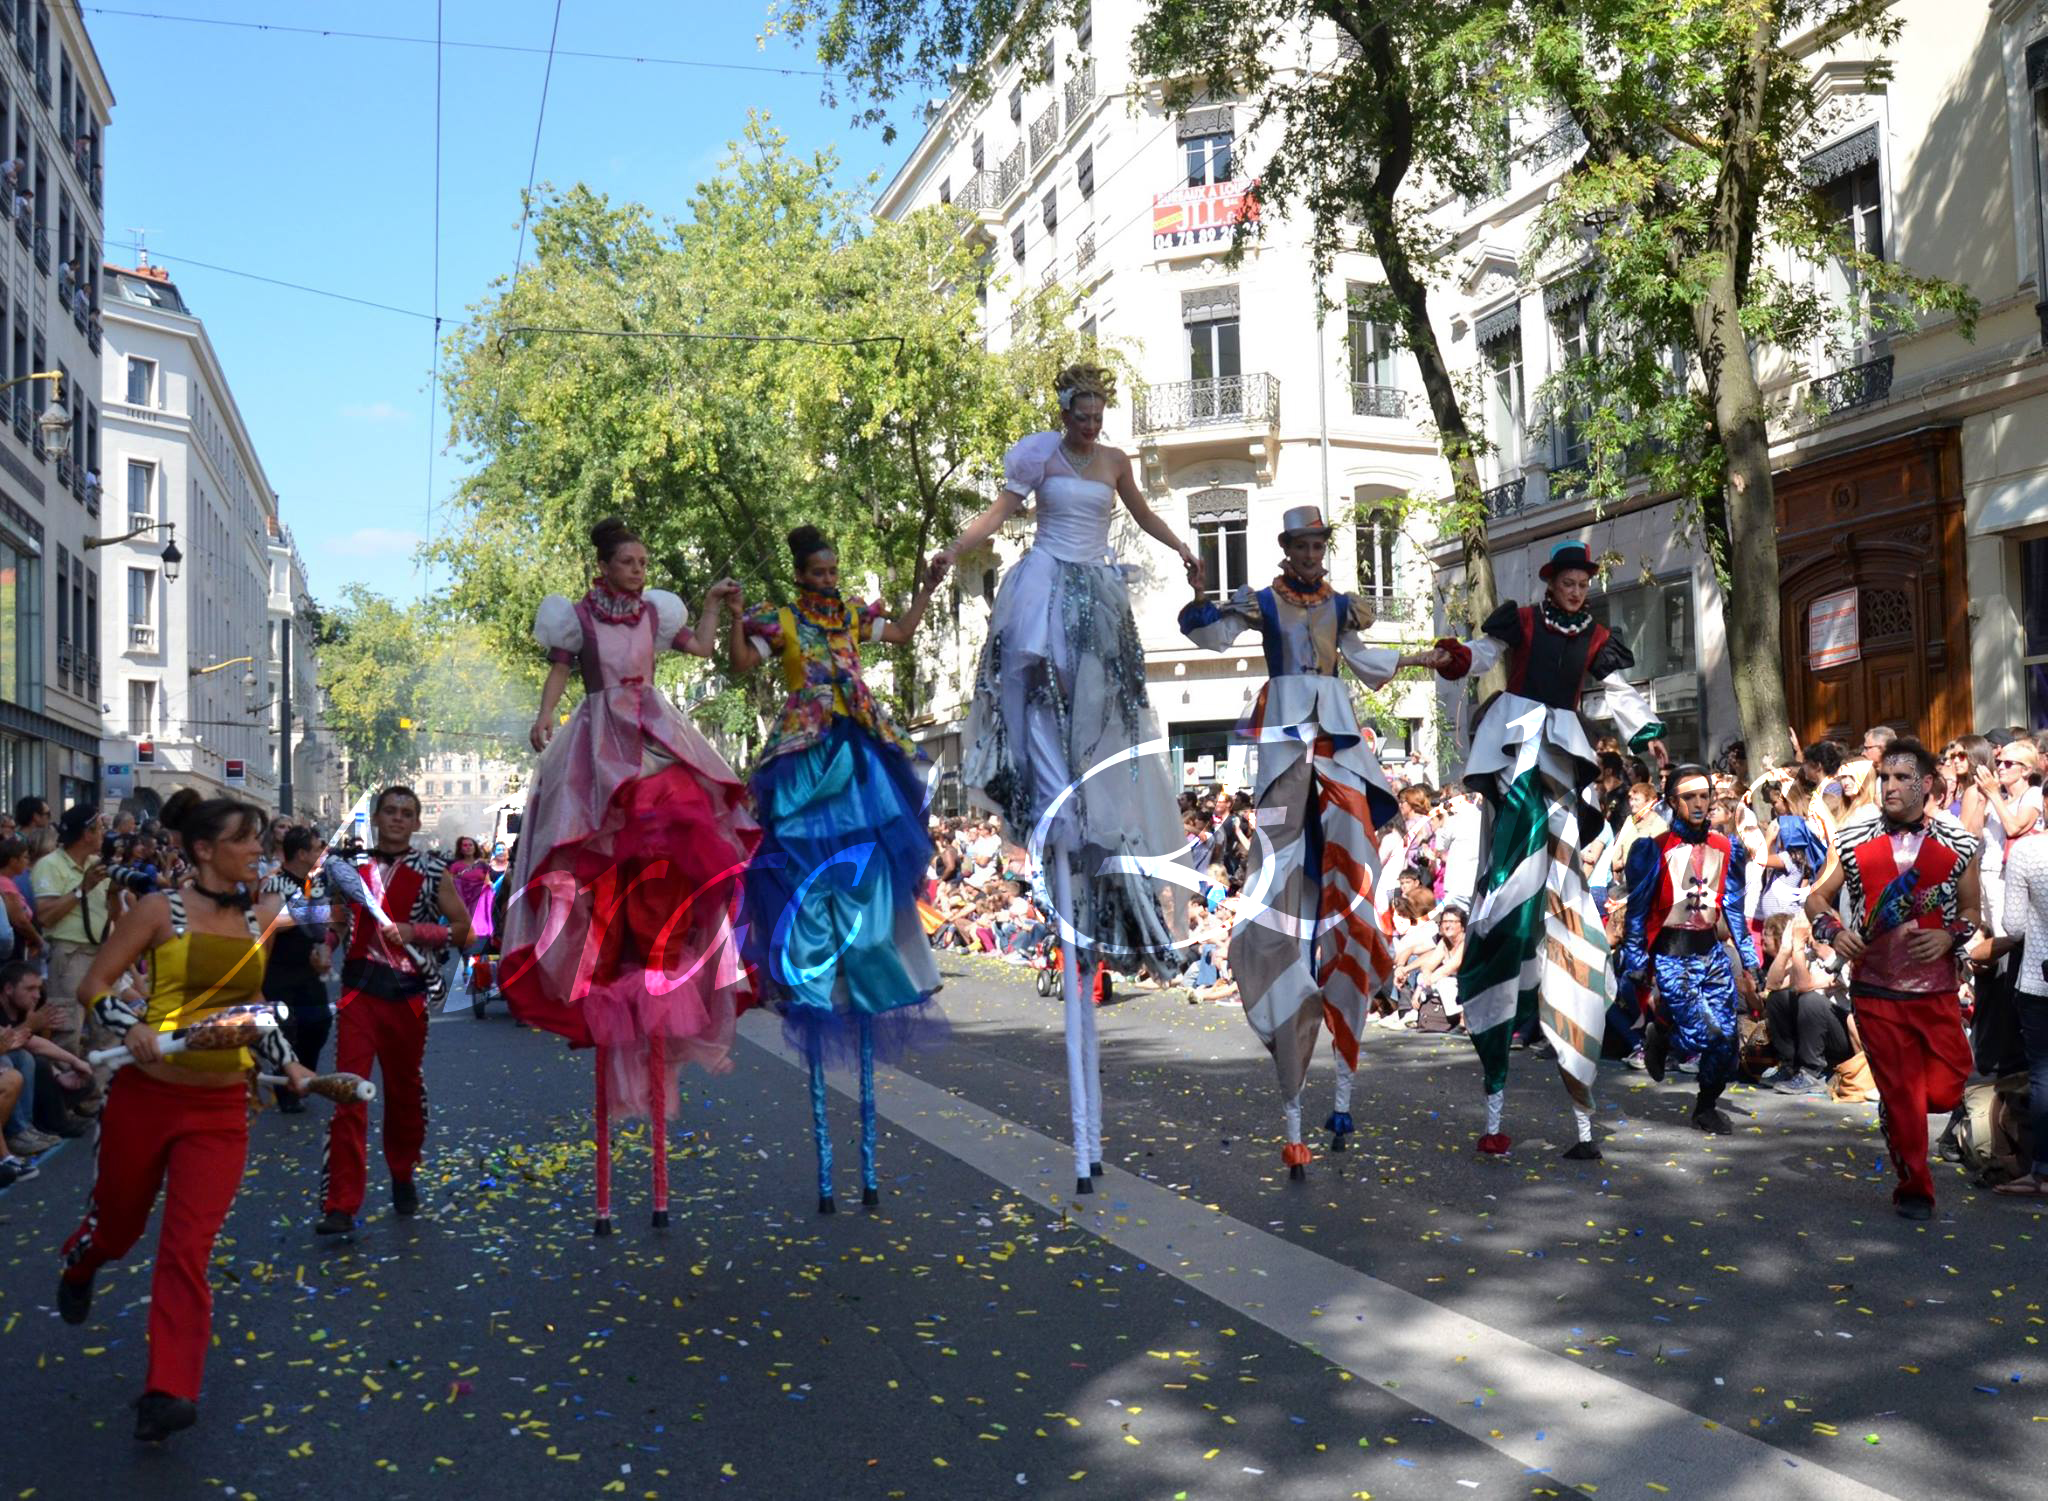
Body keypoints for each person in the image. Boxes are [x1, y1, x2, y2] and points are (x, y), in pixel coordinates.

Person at [937, 360, 1199, 1192]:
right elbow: (998, 515)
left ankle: (1089, 796)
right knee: (1034, 676)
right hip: (1050, 577)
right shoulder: (1038, 457)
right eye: (1080, 414)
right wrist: (952, 550)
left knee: (1104, 696)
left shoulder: (1115, 461)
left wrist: (1183, 547)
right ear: (1063, 412)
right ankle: (1050, 786)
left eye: (1097, 413)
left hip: (1098, 587)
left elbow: (1143, 513)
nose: (1090, 425)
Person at [500, 518, 756, 1233]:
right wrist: (545, 717)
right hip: (598, 733)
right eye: (629, 561)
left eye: (645, 561)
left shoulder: (656, 613)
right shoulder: (576, 617)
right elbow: (561, 671)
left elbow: (701, 649)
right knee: (594, 831)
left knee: (677, 816)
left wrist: (713, 605)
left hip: (650, 727)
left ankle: (664, 932)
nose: (640, 570)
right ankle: (600, 932)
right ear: (605, 565)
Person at [1178, 504, 1440, 1174]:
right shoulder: (1264, 601)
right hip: (1287, 743)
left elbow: (1363, 658)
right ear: (1286, 547)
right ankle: (1292, 1102)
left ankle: (1346, 1068)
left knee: (1351, 868)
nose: (1310, 554)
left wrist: (1421, 657)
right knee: (1281, 864)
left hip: (1336, 741)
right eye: (1301, 544)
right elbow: (1211, 632)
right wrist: (1200, 594)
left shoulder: (1340, 605)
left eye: (1318, 545)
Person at [57, 796, 315, 1441]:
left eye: (259, 839)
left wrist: (292, 1065)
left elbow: (253, 1008)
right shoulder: (157, 910)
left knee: (187, 1249)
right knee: (119, 1229)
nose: (258, 849)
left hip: (221, 1108)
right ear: (204, 849)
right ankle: (83, 1263)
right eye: (244, 839)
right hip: (146, 1099)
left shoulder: (260, 917)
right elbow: (94, 985)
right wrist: (131, 1026)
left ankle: (169, 1388)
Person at [1420, 541, 1668, 1156]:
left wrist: (1647, 737)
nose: (1577, 591)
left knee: (1556, 837)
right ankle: (1504, 900)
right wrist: (1452, 656)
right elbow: (1484, 654)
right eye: (1569, 582)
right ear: (1552, 583)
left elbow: (1619, 691)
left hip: (1558, 749)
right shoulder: (1524, 620)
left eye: (1584, 583)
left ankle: (1555, 916)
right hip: (1515, 741)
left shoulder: (1597, 637)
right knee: (1520, 830)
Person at [731, 525, 945, 1214]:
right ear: (801, 573)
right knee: (805, 874)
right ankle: (813, 982)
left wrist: (927, 587)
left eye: (833, 569)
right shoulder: (783, 620)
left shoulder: (852, 613)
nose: (829, 578)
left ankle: (869, 971)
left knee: (871, 875)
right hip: (806, 756)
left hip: (860, 754)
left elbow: (902, 633)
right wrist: (732, 616)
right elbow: (742, 663)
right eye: (818, 571)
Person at [1803, 738, 1988, 1221]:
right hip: (1875, 989)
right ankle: (1914, 1189)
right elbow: (1816, 899)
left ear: (1926, 784)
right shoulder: (1853, 838)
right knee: (1904, 1094)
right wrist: (1834, 931)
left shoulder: (1957, 843)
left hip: (1937, 989)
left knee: (1947, 1088)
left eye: (1902, 778)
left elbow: (1972, 911)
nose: (1889, 786)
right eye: (1884, 777)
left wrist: (1949, 937)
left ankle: (1898, 1110)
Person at [317, 786, 471, 1236]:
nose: (398, 818)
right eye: (390, 811)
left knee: (403, 1094)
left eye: (406, 813)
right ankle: (341, 1204)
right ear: (378, 818)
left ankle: (403, 1172)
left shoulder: (434, 871)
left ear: (416, 822)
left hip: (407, 996)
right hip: (358, 995)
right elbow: (338, 919)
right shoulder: (350, 868)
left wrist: (414, 931)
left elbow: (464, 931)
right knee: (348, 1094)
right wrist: (325, 946)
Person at [1619, 764, 1761, 1140]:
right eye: (1689, 797)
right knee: (1707, 1035)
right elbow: (1637, 912)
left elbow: (1733, 908)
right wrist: (1636, 960)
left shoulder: (1727, 847)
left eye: (1704, 796)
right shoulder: (1652, 849)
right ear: (1672, 802)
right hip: (1673, 957)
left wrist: (1749, 959)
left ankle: (1705, 1106)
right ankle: (1664, 1036)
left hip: (1712, 955)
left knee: (1727, 1042)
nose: (1699, 804)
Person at [31, 804, 113, 1121]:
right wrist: (83, 889)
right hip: (69, 954)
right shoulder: (50, 866)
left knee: (106, 1029)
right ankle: (63, 1104)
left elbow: (112, 915)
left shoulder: (96, 865)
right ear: (86, 834)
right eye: (99, 828)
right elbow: (45, 916)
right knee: (68, 1031)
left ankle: (92, 1097)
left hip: (100, 954)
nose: (103, 834)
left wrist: (116, 892)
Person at [260, 828, 334, 1112]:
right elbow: (269, 924)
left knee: (318, 1024)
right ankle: (287, 1090)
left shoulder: (314, 883)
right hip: (278, 970)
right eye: (316, 849)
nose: (321, 854)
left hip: (307, 968)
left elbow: (322, 926)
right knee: (287, 1029)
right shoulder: (275, 883)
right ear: (302, 854)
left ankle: (301, 1075)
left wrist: (325, 946)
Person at [1995, 827, 2048, 1197]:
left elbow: (2013, 927)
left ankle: (2042, 1171)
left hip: (2037, 977)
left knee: (2044, 1074)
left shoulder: (2028, 851)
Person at [1757, 913, 1852, 1094]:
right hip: (1815, 1030)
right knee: (1778, 998)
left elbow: (1803, 985)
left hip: (1842, 1033)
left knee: (1809, 999)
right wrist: (1786, 948)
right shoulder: (1809, 955)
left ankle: (1811, 1072)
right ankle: (1789, 1066)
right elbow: (1773, 985)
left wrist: (1798, 948)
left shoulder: (1840, 957)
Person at [1979, 736, 2042, 937]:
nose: (2001, 767)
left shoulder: (2033, 794)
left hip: (2008, 879)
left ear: (2026, 770)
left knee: (2005, 938)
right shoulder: (2000, 798)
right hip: (1985, 874)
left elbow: (2014, 828)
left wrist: (1994, 794)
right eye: (1999, 762)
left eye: (2008, 763)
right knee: (1983, 937)